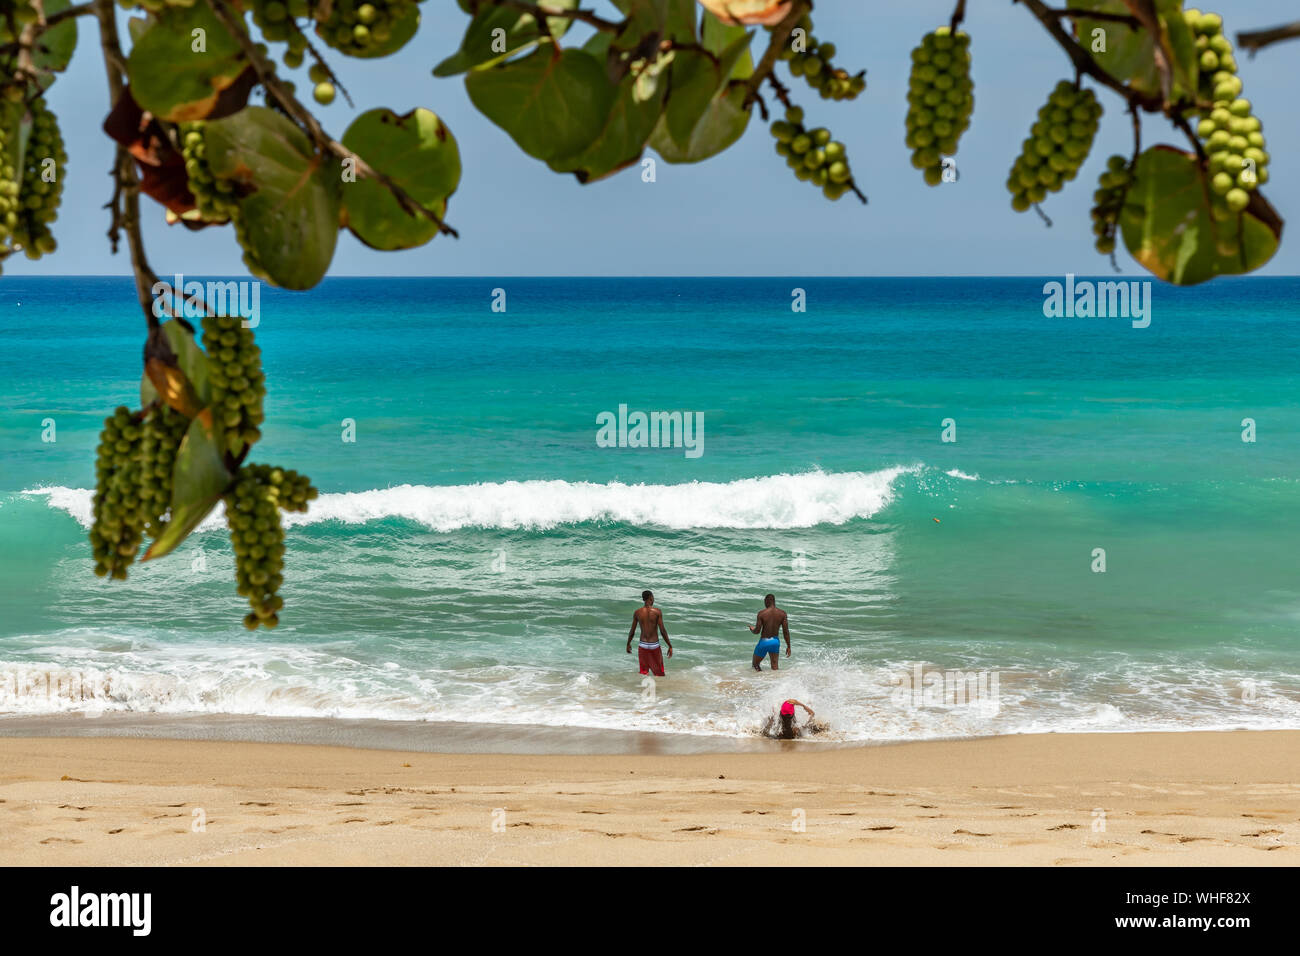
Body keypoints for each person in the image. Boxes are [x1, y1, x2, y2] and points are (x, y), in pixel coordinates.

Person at [627, 590, 673, 676]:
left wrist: (628, 643)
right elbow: (662, 631)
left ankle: (645, 688)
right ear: (651, 598)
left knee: (644, 673)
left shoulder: (637, 612)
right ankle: (658, 689)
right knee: (659, 673)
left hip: (643, 645)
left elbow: (632, 631)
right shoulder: (657, 612)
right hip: (654, 645)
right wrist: (669, 645)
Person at [748, 593, 790, 671]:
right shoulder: (782, 614)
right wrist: (789, 646)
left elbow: (757, 631)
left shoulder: (762, 613)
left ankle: (760, 681)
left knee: (755, 665)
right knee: (775, 667)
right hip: (775, 642)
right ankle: (774, 682)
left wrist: (752, 629)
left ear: (766, 601)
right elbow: (786, 632)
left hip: (764, 641)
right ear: (774, 601)